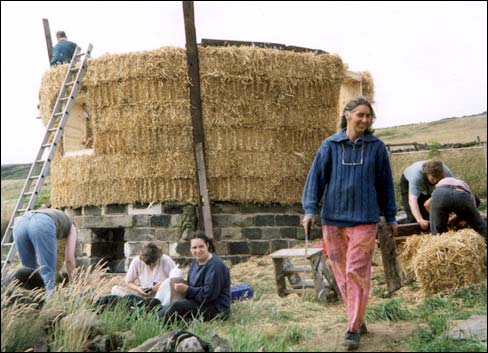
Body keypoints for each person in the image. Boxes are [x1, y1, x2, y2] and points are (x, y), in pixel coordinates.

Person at [302, 96, 398, 350]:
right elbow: (316, 179)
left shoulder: (376, 147)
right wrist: (310, 210)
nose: (365, 120)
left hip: (364, 220)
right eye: (361, 115)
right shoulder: (330, 145)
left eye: (369, 116)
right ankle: (357, 316)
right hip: (333, 219)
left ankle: (352, 328)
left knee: (356, 271)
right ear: (347, 115)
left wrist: (390, 216)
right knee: (341, 274)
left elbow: (385, 185)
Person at [157, 232, 231, 322]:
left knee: (177, 306)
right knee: (164, 300)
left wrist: (187, 290)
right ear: (190, 249)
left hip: (215, 309)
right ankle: (150, 316)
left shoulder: (216, 266)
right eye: (194, 248)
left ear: (207, 245)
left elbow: (208, 296)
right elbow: (191, 285)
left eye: (201, 246)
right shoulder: (194, 263)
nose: (198, 250)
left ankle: (155, 321)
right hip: (197, 302)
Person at [12, 208, 78, 294]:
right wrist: (75, 284)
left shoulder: (53, 214)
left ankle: (26, 303)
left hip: (20, 224)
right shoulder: (72, 227)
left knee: (28, 274)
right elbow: (69, 259)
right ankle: (49, 303)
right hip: (42, 224)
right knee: (48, 272)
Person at [429, 175, 487, 241]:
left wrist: (436, 218)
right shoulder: (466, 188)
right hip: (461, 195)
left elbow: (426, 205)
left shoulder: (438, 186)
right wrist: (461, 218)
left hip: (440, 195)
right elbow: (472, 210)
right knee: (480, 226)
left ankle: (439, 246)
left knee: (437, 231)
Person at [111, 242, 176, 299]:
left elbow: (177, 282)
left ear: (158, 257)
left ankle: (145, 304)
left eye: (153, 264)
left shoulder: (166, 260)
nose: (150, 266)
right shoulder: (137, 261)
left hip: (162, 295)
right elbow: (128, 282)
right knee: (115, 289)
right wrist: (138, 289)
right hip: (143, 295)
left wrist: (163, 286)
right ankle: (141, 303)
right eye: (147, 264)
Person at [400, 159, 453, 229]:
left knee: (428, 217)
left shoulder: (447, 174)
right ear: (427, 174)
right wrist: (419, 219)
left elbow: (452, 192)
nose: (436, 180)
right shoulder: (417, 176)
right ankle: (398, 227)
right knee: (414, 219)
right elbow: (412, 200)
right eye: (433, 178)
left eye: (438, 178)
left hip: (428, 185)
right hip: (407, 181)